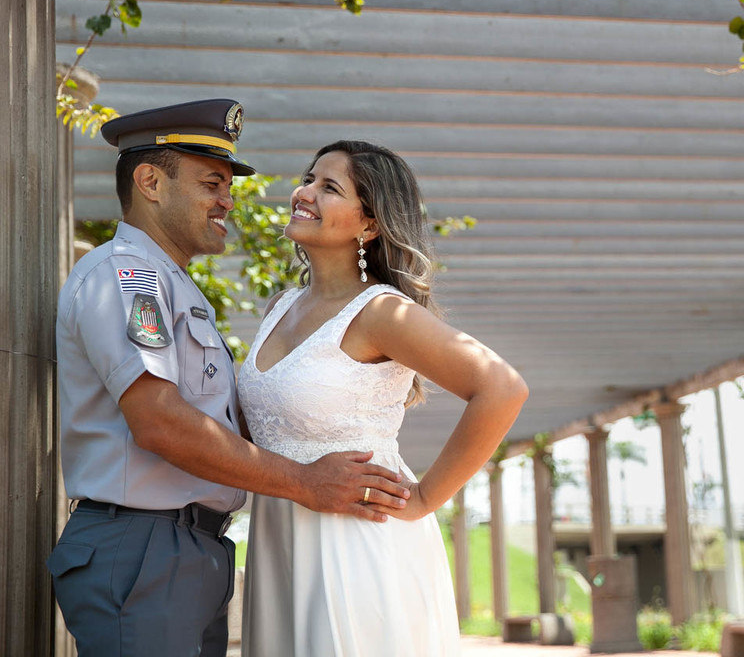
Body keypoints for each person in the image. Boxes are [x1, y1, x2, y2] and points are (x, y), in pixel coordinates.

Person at [50, 100, 414, 657]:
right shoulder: (128, 279)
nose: (227, 201)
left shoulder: (175, 288)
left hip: (187, 550)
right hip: (143, 546)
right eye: (211, 183)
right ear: (150, 181)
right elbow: (159, 423)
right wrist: (304, 481)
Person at [239, 140, 529, 657]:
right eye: (308, 178)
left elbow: (502, 388)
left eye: (328, 187)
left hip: (356, 544)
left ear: (368, 225)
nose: (303, 193)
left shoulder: (381, 313)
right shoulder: (279, 307)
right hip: (278, 539)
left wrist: (422, 501)